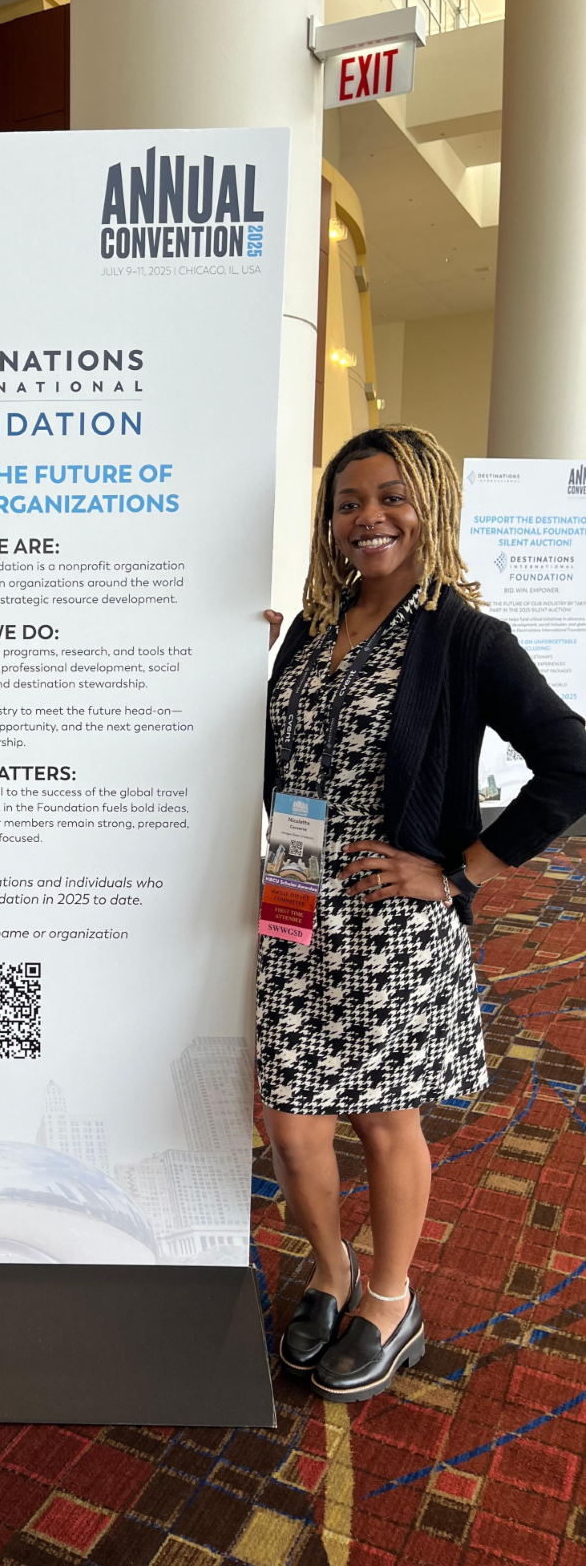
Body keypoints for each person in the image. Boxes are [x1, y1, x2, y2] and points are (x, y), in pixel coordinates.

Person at [258, 425, 586, 1403]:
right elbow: (280, 757)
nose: (370, 518)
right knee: (288, 1113)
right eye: (350, 502)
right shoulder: (312, 626)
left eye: (392, 497)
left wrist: (460, 871)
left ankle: (392, 1298)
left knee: (379, 1113)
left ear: (432, 507)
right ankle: (331, 1270)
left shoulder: (464, 636)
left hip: (390, 916)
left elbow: (572, 761)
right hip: (291, 893)